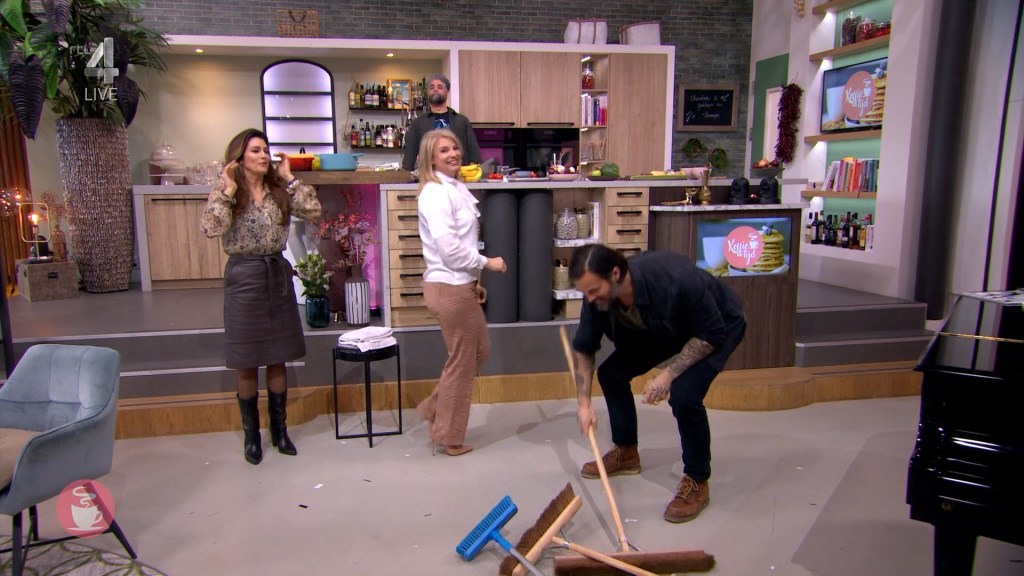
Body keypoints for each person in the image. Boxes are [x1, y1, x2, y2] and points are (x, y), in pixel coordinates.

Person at [568, 243, 746, 523]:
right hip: (661, 327)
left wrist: (667, 375)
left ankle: (697, 480)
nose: (589, 299)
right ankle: (626, 451)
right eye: (584, 292)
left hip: (715, 326)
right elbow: (585, 348)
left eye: (593, 290)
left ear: (615, 274)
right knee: (611, 373)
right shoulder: (597, 299)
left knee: (685, 396)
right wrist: (584, 404)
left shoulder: (676, 279)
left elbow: (710, 334)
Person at [201, 128, 322, 465]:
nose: (264, 155)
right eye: (256, 150)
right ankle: (251, 436)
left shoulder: (278, 190)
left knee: (278, 357)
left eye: (266, 149)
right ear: (239, 157)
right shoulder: (227, 190)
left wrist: (290, 179)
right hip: (244, 276)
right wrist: (227, 191)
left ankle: (279, 431)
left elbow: (313, 211)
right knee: (247, 358)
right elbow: (211, 228)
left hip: (276, 274)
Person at [415, 128, 506, 456]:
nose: (453, 153)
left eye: (454, 147)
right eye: (443, 150)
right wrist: (487, 263)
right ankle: (448, 436)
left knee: (479, 351)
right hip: (449, 287)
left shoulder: (454, 187)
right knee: (463, 361)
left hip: (460, 285)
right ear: (430, 159)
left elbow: (461, 243)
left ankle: (435, 406)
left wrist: (474, 281)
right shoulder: (436, 194)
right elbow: (450, 249)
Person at [401, 73, 481, 172]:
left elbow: (474, 153)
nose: (435, 89)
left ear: (447, 91)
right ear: (428, 93)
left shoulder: (462, 121)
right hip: (428, 176)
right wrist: (405, 176)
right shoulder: (418, 124)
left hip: (459, 176)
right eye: (432, 87)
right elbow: (409, 155)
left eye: (439, 87)